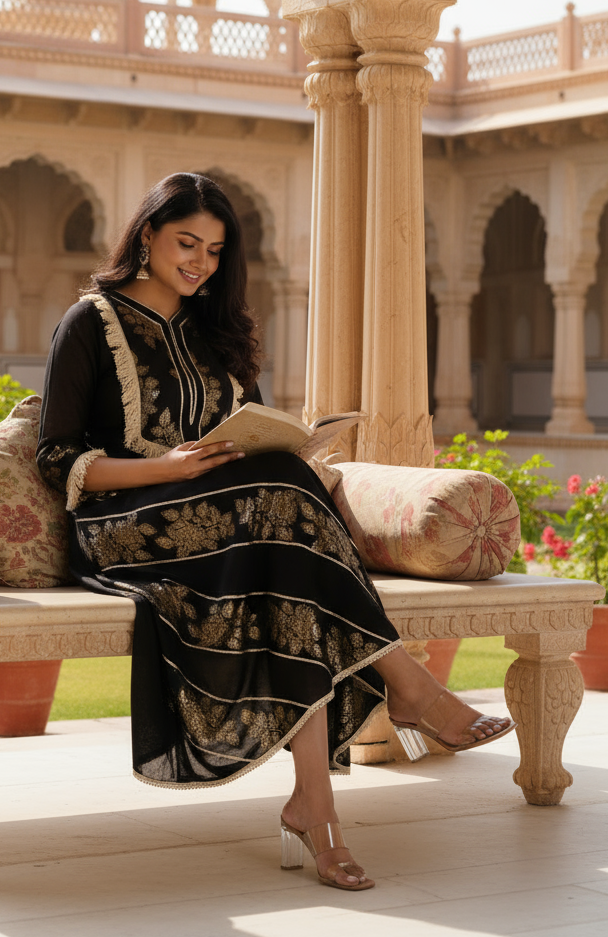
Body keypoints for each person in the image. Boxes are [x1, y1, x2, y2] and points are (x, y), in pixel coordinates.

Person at [37, 172, 514, 892]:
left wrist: (288, 448)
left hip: (237, 528)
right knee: (282, 519)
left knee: (284, 548)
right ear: (147, 237)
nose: (200, 261)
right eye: (186, 242)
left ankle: (315, 805)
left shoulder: (215, 332)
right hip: (124, 526)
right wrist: (164, 466)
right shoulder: (91, 322)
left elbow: (249, 446)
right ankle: (406, 686)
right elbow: (56, 457)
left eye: (216, 250)